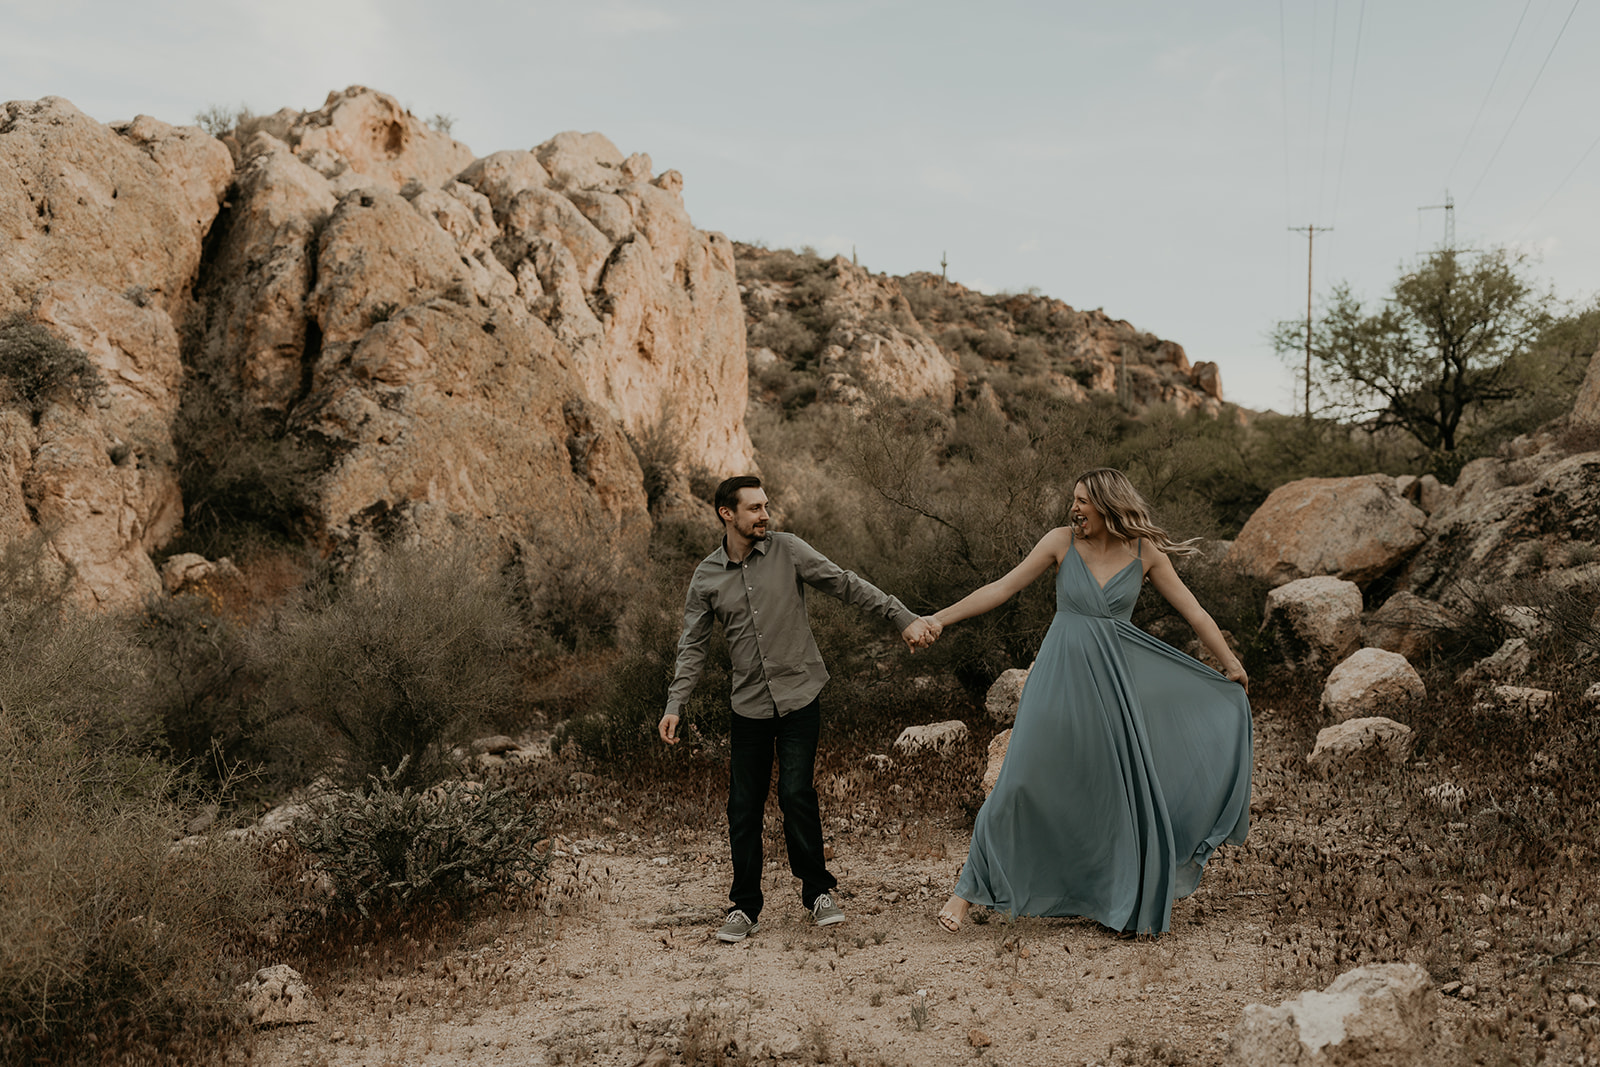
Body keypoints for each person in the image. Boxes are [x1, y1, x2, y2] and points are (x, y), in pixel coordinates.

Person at [921, 468, 1252, 938]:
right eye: (1073, 500)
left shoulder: (1145, 553)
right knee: (1019, 781)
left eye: (1082, 501)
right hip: (1058, 676)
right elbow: (1001, 588)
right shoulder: (1059, 542)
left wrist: (1230, 662)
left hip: (1112, 684)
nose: (1073, 509)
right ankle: (965, 889)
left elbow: (1194, 610)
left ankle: (1111, 896)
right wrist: (940, 618)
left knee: (1109, 793)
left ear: (1107, 505)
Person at [660, 475, 937, 943]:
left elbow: (845, 584)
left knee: (795, 793)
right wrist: (675, 702)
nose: (765, 515)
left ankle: (817, 893)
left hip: (800, 696)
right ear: (727, 514)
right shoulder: (707, 576)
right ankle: (744, 907)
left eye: (766, 506)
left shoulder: (788, 549)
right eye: (754, 508)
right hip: (747, 706)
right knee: (742, 807)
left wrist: (900, 615)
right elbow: (693, 646)